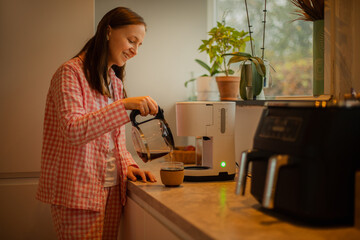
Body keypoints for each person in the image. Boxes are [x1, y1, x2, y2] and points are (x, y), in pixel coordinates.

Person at [36, 7, 157, 239]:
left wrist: (129, 165)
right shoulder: (69, 73)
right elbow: (73, 131)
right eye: (132, 40)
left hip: (112, 188)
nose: (135, 51)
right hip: (78, 192)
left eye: (140, 44)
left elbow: (114, 140)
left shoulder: (113, 80)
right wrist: (124, 106)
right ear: (108, 31)